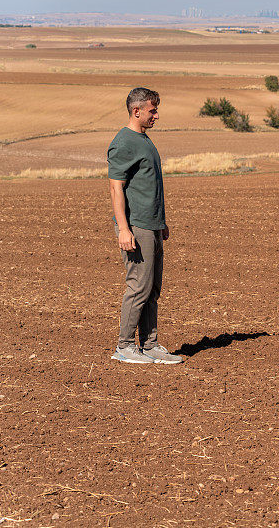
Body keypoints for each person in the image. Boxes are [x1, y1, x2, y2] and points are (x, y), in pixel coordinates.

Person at [107, 87, 181, 364]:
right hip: (136, 226)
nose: (157, 115)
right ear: (136, 111)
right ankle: (124, 347)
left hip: (152, 225)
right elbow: (116, 188)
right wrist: (124, 229)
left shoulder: (144, 140)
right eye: (152, 110)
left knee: (152, 288)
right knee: (138, 286)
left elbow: (150, 186)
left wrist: (161, 223)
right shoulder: (124, 142)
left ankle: (149, 346)